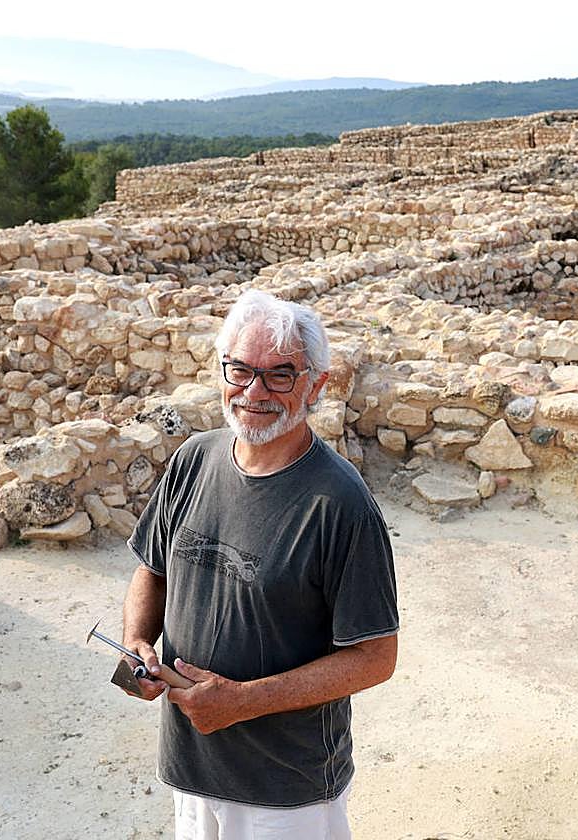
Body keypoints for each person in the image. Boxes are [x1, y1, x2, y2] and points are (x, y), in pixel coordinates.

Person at [121, 288, 399, 840]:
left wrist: (245, 702)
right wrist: (137, 645)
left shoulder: (340, 504)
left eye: (280, 375)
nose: (254, 391)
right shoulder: (193, 460)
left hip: (286, 789)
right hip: (191, 763)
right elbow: (152, 570)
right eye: (240, 370)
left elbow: (375, 658)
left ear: (316, 385)